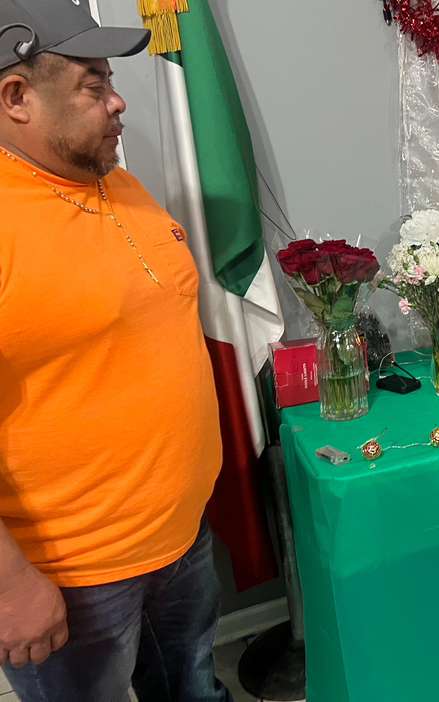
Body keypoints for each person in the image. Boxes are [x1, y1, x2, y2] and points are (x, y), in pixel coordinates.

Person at [0, 1, 231, 699]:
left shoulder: (119, 185)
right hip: (75, 576)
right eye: (92, 84)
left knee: (193, 687)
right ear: (16, 97)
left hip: (180, 537)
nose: (117, 100)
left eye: (111, 80)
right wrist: (9, 585)